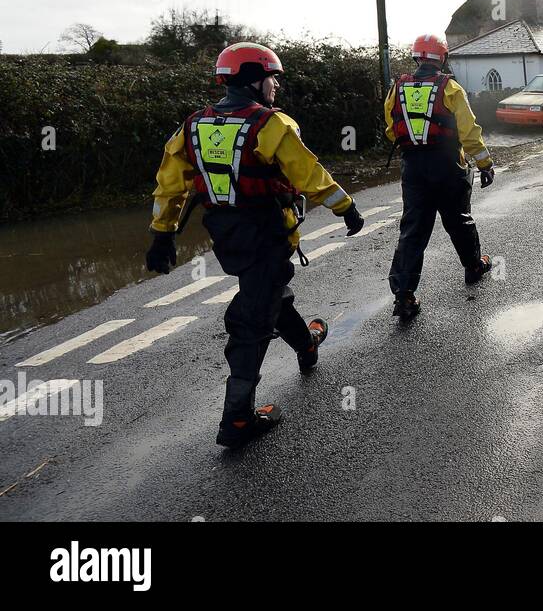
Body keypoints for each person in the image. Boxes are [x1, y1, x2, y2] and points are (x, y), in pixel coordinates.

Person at [146, 41, 365, 448]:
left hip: (227, 236)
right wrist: (346, 208)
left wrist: (162, 232)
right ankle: (238, 421)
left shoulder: (193, 125)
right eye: (272, 78)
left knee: (269, 295)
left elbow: (169, 185)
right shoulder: (272, 125)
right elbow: (309, 174)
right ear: (254, 80)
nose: (275, 87)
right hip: (266, 232)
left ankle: (307, 343)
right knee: (250, 321)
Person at [386, 33, 495, 321]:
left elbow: (391, 126)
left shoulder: (397, 87)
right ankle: (473, 267)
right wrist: (484, 163)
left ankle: (404, 296)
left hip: (413, 166)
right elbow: (469, 131)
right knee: (459, 219)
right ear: (442, 58)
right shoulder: (451, 88)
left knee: (413, 229)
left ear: (416, 57)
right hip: (448, 164)